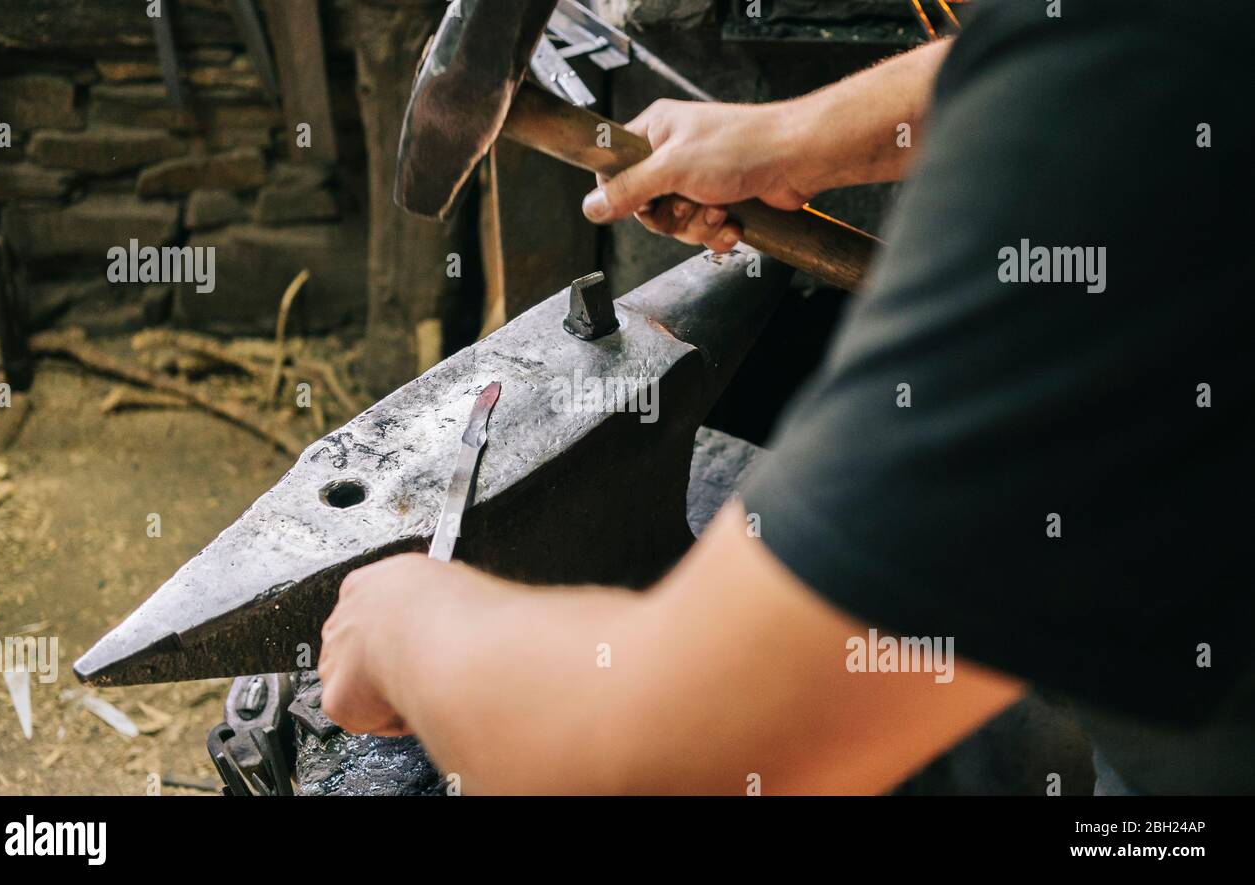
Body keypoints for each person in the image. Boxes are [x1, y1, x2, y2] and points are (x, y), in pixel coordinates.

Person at [318, 0, 1253, 794]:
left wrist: (404, 623)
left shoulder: (1128, 138)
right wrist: (785, 140)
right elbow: (1045, 46)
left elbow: (667, 748)